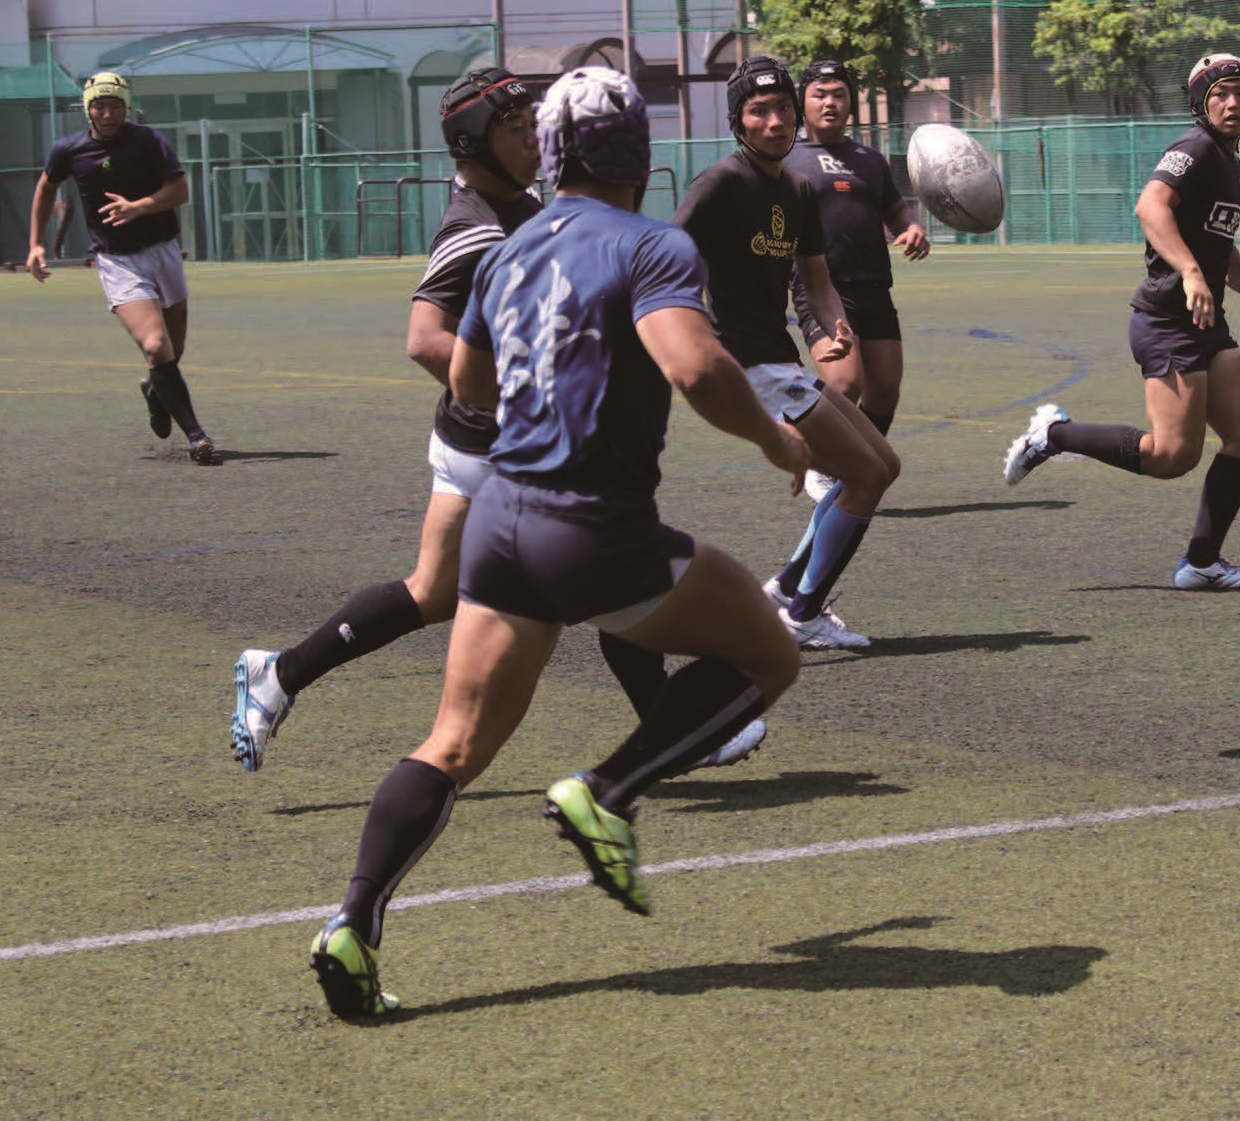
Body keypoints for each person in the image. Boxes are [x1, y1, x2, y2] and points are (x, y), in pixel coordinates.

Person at [307, 66, 811, 1019]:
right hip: (595, 524)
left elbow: (467, 384)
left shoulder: (509, 247)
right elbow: (696, 366)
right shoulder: (655, 245)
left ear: (549, 151)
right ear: (642, 150)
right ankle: (608, 791)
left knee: (451, 743)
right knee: (768, 651)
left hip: (501, 519)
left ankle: (353, 919)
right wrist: (775, 436)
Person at [229, 68, 730, 774]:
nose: (532, 136)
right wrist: (533, 398)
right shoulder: (474, 230)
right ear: (471, 142)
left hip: (500, 443)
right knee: (600, 561)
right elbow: (424, 337)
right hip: (495, 445)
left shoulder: (525, 207)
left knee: (437, 591)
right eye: (513, 127)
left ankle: (278, 674)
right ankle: (677, 723)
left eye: (534, 123)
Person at [1001, 54, 1240, 589]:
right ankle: (1054, 434)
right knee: (1171, 457)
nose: (1232, 101)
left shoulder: (1229, 160)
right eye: (1219, 94)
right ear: (1199, 104)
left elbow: (1221, 248)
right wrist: (1189, 271)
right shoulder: (1193, 149)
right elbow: (1149, 206)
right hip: (1168, 322)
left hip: (1206, 321)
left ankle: (1203, 563)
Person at [675, 56, 901, 651]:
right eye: (759, 111)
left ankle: (789, 591)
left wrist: (832, 328)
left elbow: (818, 280)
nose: (776, 122)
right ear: (739, 123)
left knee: (883, 465)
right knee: (867, 475)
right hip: (747, 364)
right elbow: (665, 262)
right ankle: (803, 614)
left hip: (780, 359)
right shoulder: (720, 184)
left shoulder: (798, 188)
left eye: (782, 110)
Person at [28, 71, 222, 465]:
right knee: (155, 345)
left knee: (172, 352)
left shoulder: (148, 140)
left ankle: (154, 388)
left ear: (126, 107)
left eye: (114, 105)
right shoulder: (69, 150)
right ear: (88, 110)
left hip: (164, 252)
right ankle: (197, 437)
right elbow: (47, 186)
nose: (107, 113)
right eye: (99, 105)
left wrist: (139, 207)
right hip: (118, 261)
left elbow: (180, 191)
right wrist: (35, 244)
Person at [783, 58, 929, 501]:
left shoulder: (870, 160)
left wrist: (911, 225)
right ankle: (819, 460)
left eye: (839, 94)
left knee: (884, 389)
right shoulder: (785, 159)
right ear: (802, 103)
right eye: (819, 95)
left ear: (851, 103)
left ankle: (853, 466)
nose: (830, 103)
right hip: (821, 288)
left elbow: (895, 208)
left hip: (874, 286)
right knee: (846, 382)